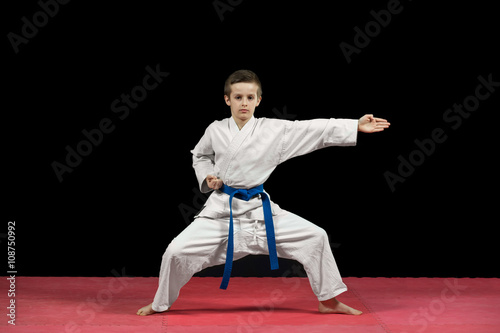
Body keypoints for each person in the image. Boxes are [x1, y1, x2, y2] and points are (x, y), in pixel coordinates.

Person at [137, 69, 390, 316]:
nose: (244, 103)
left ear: (259, 100)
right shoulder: (215, 130)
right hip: (223, 213)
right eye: (238, 97)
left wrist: (354, 125)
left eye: (250, 97)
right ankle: (161, 303)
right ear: (227, 99)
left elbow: (312, 129)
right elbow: (200, 155)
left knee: (316, 236)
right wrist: (208, 177)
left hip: (260, 211)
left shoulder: (273, 130)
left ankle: (329, 300)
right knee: (175, 251)